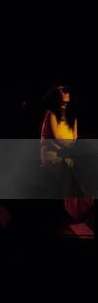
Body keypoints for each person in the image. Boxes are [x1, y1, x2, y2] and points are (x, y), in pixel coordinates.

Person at [40, 84, 93, 224]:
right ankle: (74, 209)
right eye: (63, 90)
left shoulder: (71, 116)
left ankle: (82, 209)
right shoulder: (51, 114)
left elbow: (74, 137)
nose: (66, 92)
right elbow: (57, 137)